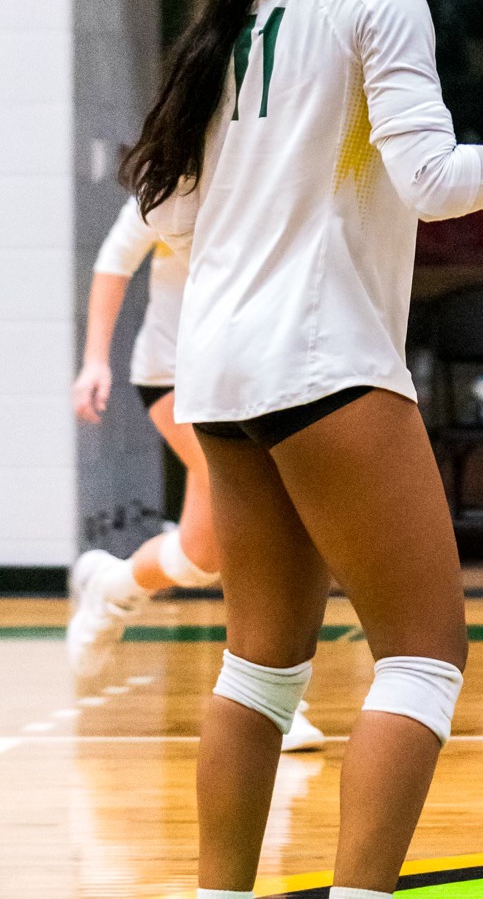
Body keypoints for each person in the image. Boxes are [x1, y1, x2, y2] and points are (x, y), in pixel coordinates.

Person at [128, 0, 483, 899]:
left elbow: (172, 211)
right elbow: (433, 183)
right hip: (325, 360)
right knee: (424, 654)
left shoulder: (241, 7)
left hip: (220, 370)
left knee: (260, 662)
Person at [67, 200, 320, 748]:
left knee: (202, 554)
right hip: (175, 375)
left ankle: (110, 589)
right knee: (262, 516)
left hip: (253, 373)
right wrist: (94, 360)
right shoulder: (177, 173)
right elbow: (115, 257)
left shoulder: (279, 160)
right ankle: (277, 699)